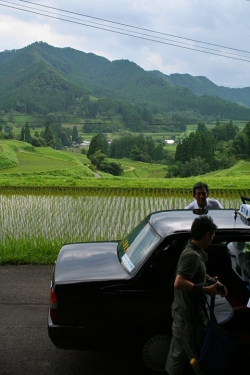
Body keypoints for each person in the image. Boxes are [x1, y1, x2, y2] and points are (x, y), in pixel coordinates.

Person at [165, 216, 227, 375]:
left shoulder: (195, 249)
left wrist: (213, 281)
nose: (213, 240)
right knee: (197, 355)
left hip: (182, 313)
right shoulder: (191, 255)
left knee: (178, 352)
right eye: (212, 237)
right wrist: (206, 290)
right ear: (207, 235)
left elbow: (198, 272)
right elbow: (179, 282)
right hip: (188, 317)